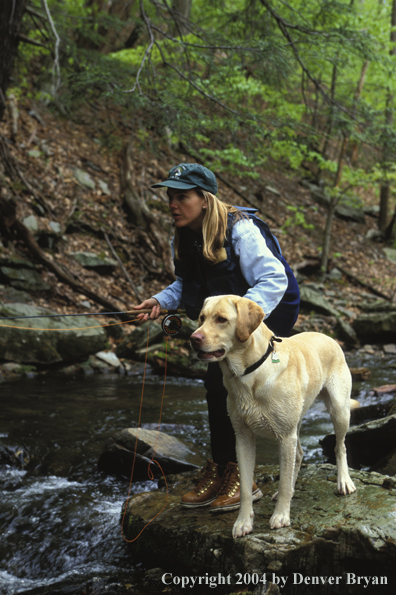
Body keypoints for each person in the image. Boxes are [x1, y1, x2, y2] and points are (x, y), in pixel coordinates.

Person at [133, 163, 300, 513]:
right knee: (216, 386)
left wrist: (243, 325)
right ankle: (222, 467)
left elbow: (273, 279)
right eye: (170, 197)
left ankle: (242, 476)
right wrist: (160, 302)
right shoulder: (182, 233)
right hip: (224, 317)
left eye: (182, 197)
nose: (172, 204)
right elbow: (187, 284)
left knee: (231, 383)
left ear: (205, 200)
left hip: (269, 308)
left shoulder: (242, 230)